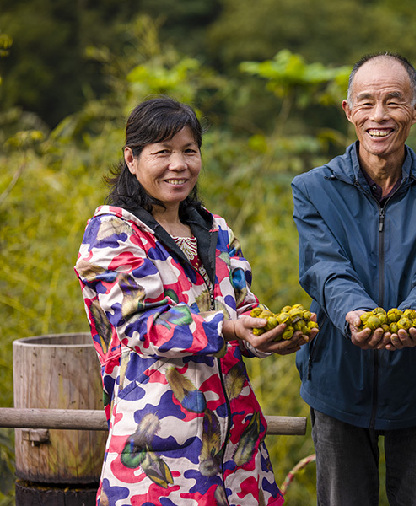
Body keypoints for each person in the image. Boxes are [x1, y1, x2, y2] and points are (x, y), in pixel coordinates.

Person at [75, 97, 315, 506]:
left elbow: (243, 307)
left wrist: (265, 333)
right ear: (131, 159)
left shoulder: (215, 229)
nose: (178, 164)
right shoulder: (114, 232)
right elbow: (142, 326)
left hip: (235, 448)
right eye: (162, 152)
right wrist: (227, 328)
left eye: (189, 150)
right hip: (161, 448)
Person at [291, 52, 416, 505]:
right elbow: (324, 267)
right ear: (348, 111)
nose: (379, 115)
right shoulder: (312, 188)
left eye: (394, 102)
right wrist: (358, 314)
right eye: (366, 102)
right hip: (337, 381)